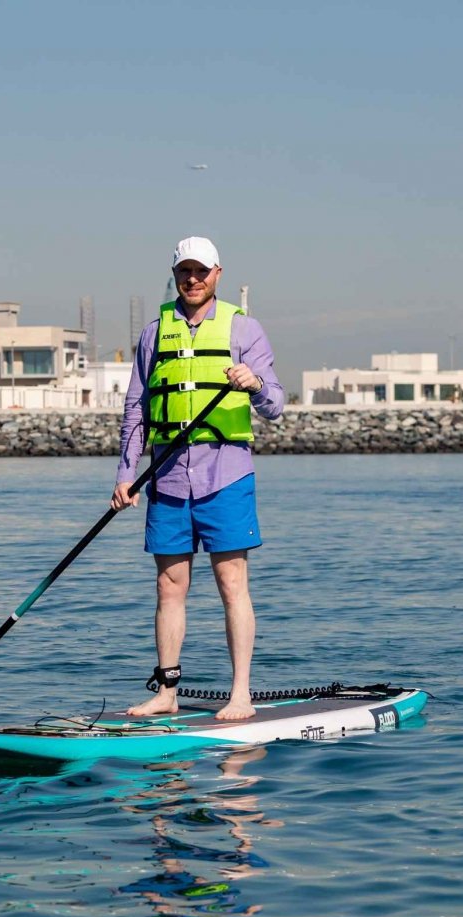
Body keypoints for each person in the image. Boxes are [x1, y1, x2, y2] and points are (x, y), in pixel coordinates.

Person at [110, 236, 284, 720]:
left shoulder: (244, 329)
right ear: (174, 275)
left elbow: (277, 405)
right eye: (184, 271)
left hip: (225, 475)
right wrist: (126, 475)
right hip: (165, 480)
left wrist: (255, 384)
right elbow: (135, 411)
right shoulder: (153, 334)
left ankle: (241, 695)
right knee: (169, 586)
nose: (193, 279)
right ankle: (166, 692)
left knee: (232, 582)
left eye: (201, 271)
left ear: (217, 274)